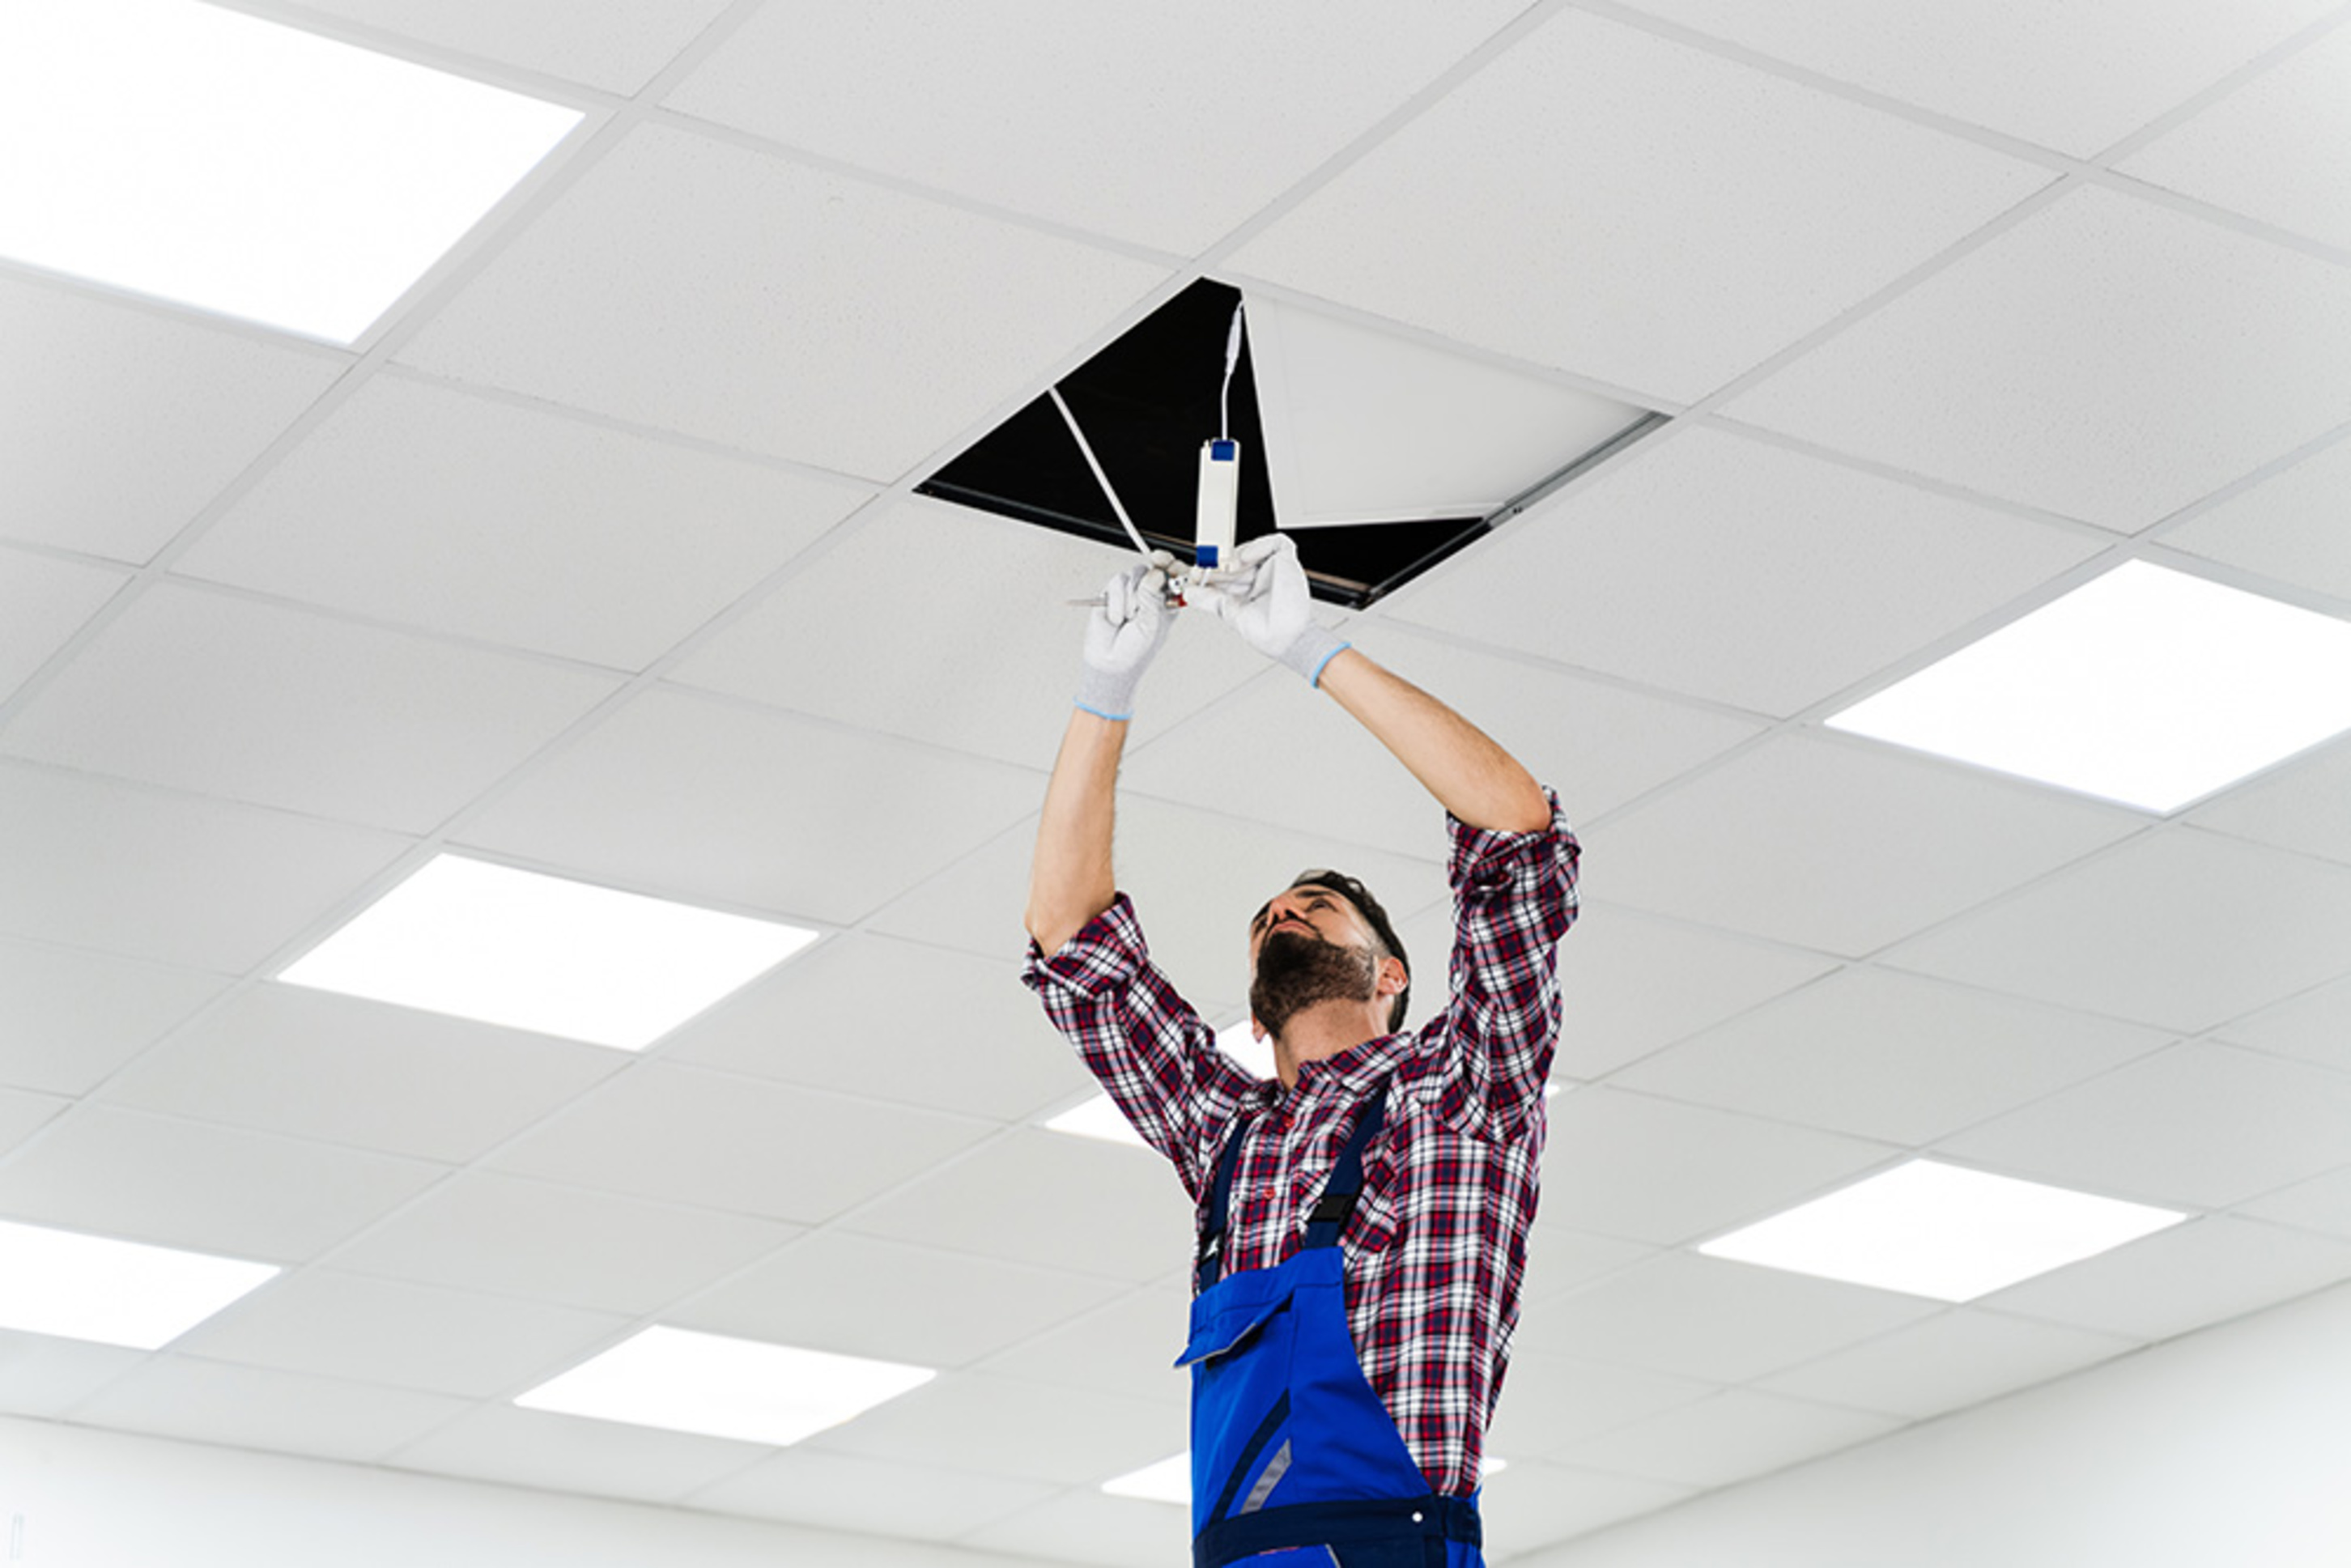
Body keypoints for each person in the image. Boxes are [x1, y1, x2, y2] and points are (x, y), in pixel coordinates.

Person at [1022, 534, 1579, 1568]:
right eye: (1271, 913)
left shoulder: (1464, 1091)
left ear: (1391, 974)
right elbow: (1072, 945)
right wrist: (1103, 692)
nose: (1285, 910)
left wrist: (1313, 648)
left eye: (1318, 906)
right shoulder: (1227, 1135)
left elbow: (1517, 833)